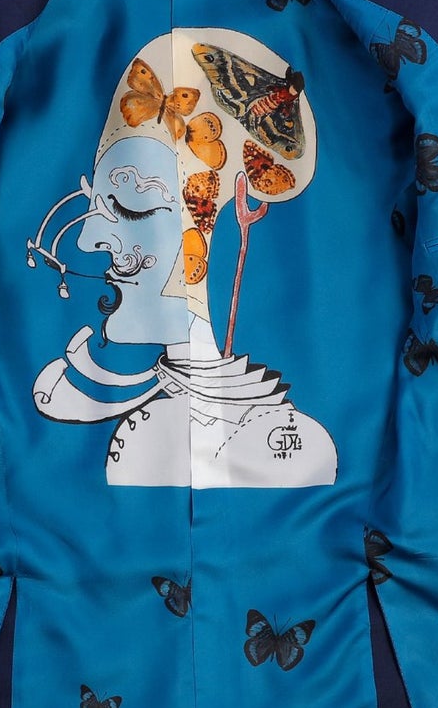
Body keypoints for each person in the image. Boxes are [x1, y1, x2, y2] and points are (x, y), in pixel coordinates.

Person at [28, 26, 339, 488]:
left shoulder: (295, 447)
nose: (87, 241)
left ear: (233, 209)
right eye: (94, 206)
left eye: (132, 208)